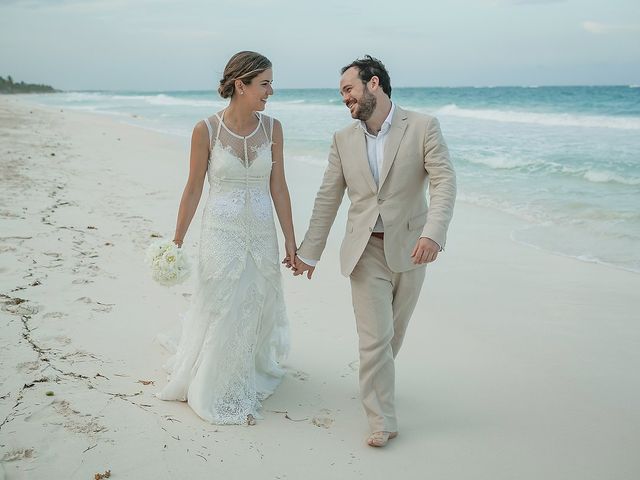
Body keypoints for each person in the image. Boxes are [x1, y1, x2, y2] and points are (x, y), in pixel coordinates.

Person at [294, 55, 456, 447]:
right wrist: (309, 252)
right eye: (341, 94)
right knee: (375, 339)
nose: (345, 99)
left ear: (374, 84)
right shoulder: (342, 140)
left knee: (392, 337)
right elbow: (327, 197)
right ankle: (381, 419)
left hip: (413, 249)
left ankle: (376, 380)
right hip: (364, 251)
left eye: (348, 89)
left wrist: (434, 233)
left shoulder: (422, 126)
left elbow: (444, 181)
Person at [157, 51, 296, 425]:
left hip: (261, 232)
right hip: (221, 233)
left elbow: (279, 188)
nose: (271, 90)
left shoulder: (274, 129)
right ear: (241, 85)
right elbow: (192, 188)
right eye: (264, 83)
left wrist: (290, 241)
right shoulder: (206, 130)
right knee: (223, 305)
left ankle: (244, 367)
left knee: (255, 301)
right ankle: (211, 386)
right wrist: (177, 240)